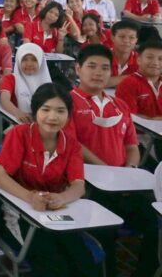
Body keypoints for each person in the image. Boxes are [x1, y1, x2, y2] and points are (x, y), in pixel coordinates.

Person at [66, 44, 158, 277]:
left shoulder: (119, 105)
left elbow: (132, 146)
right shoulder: (67, 103)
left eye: (105, 68)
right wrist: (107, 171)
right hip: (88, 187)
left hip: (122, 186)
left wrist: (130, 169)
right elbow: (73, 145)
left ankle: (145, 272)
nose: (99, 73)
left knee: (153, 220)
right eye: (92, 66)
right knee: (104, 229)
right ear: (78, 69)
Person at [0, 83, 98, 277]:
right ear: (35, 111)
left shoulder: (72, 145)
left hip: (56, 215)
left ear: (68, 115)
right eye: (46, 109)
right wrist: (30, 197)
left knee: (85, 263)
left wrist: (62, 198)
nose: (53, 117)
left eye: (60, 111)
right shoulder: (20, 134)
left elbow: (78, 186)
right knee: (52, 264)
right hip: (19, 213)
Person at [0, 43, 52, 123]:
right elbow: (4, 100)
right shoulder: (10, 79)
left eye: (34, 60)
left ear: (40, 61)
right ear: (19, 60)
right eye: (24, 59)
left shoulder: (46, 81)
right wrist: (17, 112)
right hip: (18, 122)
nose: (29, 64)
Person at [116, 40, 162, 118]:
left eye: (160, 59)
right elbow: (130, 116)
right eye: (149, 57)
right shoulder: (128, 83)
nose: (155, 63)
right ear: (139, 60)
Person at [107, 20, 139, 88]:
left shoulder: (141, 60)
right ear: (112, 38)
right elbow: (95, 82)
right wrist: (130, 78)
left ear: (136, 40)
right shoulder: (102, 57)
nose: (126, 41)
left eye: (131, 37)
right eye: (121, 36)